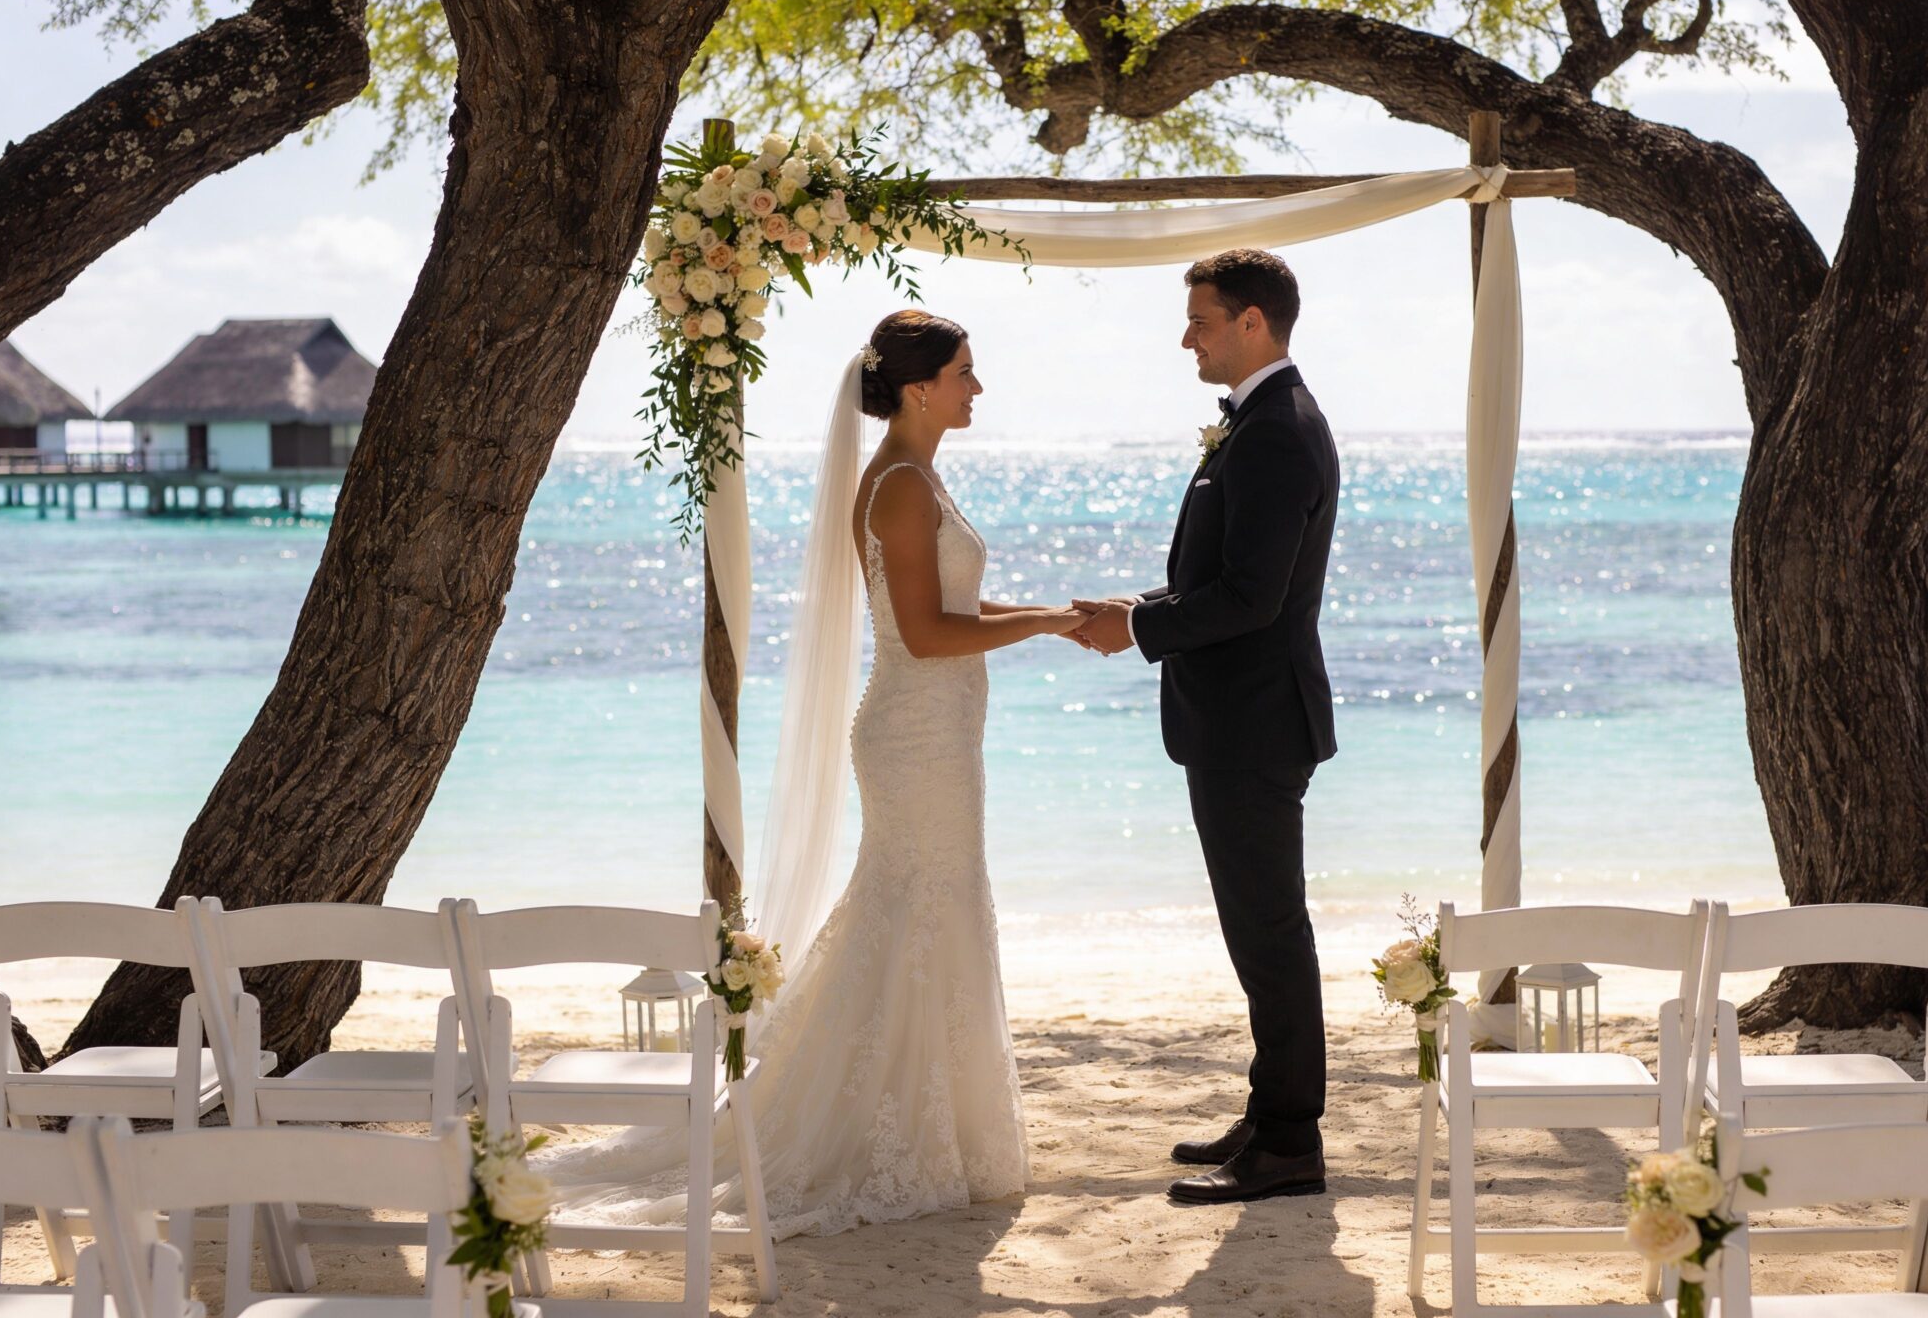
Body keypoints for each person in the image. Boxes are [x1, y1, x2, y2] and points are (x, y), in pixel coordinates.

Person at [540, 309, 1082, 1236]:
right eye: (964, 372)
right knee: (914, 905)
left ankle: (933, 1124)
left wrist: (1060, 613)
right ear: (919, 388)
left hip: (942, 730)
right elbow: (923, 633)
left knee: (930, 907)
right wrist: (1040, 626)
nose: (976, 388)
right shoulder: (902, 485)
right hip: (917, 734)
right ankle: (885, 1128)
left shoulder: (917, 478)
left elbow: (950, 601)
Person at [1072, 247, 1342, 1205]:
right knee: (1256, 929)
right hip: (1242, 720)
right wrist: (1138, 602)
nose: (1186, 336)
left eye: (1201, 319)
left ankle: (1290, 1143)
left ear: (1253, 322)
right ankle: (1272, 1115)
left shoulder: (1276, 432)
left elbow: (1252, 598)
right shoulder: (1262, 422)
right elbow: (1217, 580)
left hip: (1255, 724)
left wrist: (1138, 629)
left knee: (1269, 932)